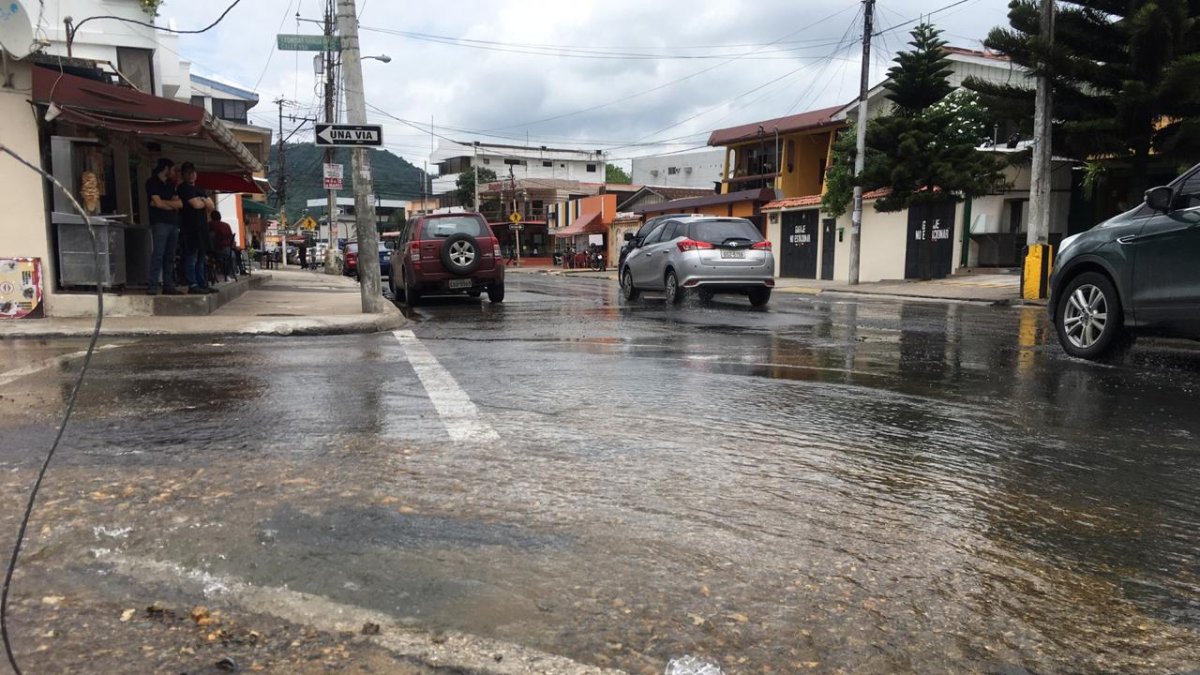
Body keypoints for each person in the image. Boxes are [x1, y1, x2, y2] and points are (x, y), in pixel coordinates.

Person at [146, 158, 184, 295]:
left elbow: (179, 203)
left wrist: (163, 203)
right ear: (166, 169)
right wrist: (166, 204)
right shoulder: (152, 182)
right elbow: (157, 203)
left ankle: (168, 285)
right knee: (158, 254)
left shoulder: (170, 184)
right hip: (159, 222)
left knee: (170, 256)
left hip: (173, 223)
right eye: (173, 169)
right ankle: (152, 285)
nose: (174, 173)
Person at [177, 162, 216, 293]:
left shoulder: (200, 189)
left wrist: (203, 200)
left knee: (201, 258)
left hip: (202, 227)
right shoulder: (183, 188)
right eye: (188, 172)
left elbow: (211, 206)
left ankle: (202, 283)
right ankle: (192, 284)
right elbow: (196, 205)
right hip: (190, 228)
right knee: (191, 256)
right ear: (183, 175)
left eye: (193, 172)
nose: (191, 175)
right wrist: (203, 201)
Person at [209, 210, 236, 281]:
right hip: (227, 249)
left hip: (214, 250)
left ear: (211, 217)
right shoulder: (226, 225)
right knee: (232, 256)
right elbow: (231, 237)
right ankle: (228, 275)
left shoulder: (210, 225)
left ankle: (215, 274)